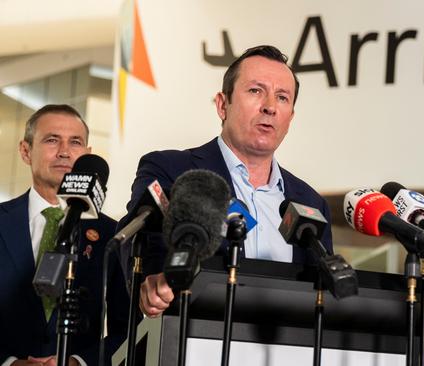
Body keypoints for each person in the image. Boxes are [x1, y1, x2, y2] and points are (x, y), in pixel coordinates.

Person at [117, 45, 333, 318]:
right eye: (256, 91)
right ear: (222, 105)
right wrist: (151, 281)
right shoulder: (171, 169)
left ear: (290, 117)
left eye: (282, 97)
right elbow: (141, 238)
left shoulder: (311, 203)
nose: (269, 107)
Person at [0, 105, 129, 366]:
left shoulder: (112, 235)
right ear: (26, 151)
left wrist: (79, 362)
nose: (64, 152)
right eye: (51, 140)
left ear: (87, 154)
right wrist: (10, 362)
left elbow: (127, 329)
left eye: (75, 142)